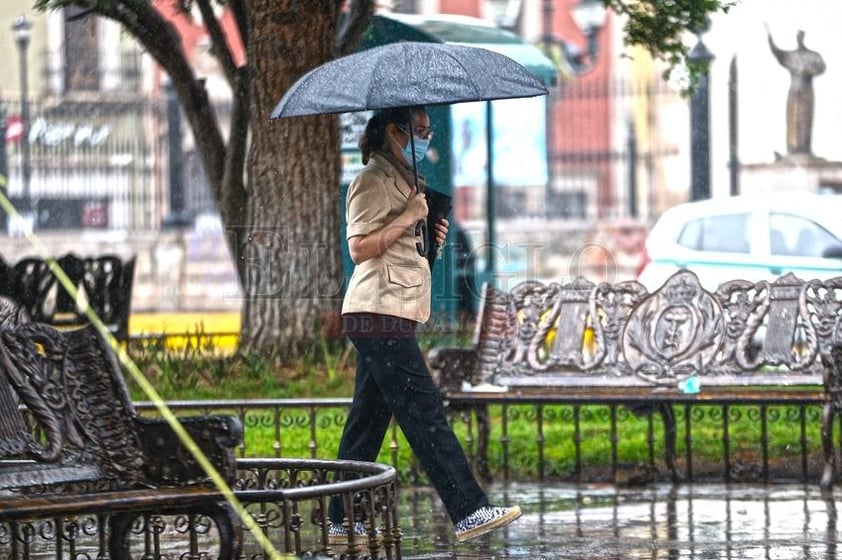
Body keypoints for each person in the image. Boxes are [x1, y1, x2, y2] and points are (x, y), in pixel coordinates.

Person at [328, 105, 521, 547]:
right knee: (425, 411)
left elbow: (402, 254)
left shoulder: (407, 182)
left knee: (367, 421)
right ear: (393, 132)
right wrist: (405, 217)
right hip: (375, 312)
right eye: (417, 130)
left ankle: (340, 519)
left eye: (428, 131)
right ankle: (469, 510)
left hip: (393, 310)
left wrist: (427, 238)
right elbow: (359, 248)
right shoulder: (371, 180)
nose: (425, 139)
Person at [767, 27, 826, 156]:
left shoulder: (812, 56)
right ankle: (793, 148)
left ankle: (804, 148)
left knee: (805, 118)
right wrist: (769, 38)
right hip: (794, 89)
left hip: (806, 89)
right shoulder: (791, 55)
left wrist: (807, 70)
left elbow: (821, 67)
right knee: (792, 117)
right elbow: (777, 53)